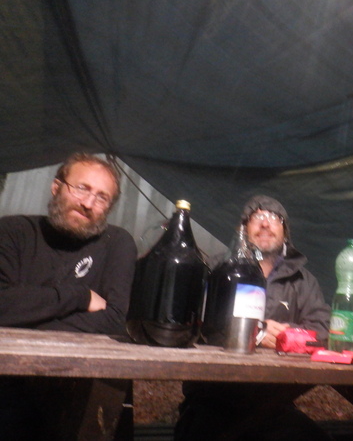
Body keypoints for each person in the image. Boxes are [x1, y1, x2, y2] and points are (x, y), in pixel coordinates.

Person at [0, 152, 137, 439]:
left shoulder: (116, 243)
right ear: (56, 186)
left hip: (84, 391)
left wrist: (23, 320)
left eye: (102, 198)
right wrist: (80, 297)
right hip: (8, 385)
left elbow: (114, 320)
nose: (88, 203)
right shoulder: (13, 232)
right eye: (82, 188)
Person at [175, 194, 331, 440]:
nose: (265, 223)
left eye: (274, 218)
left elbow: (322, 331)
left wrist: (287, 337)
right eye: (257, 217)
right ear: (243, 229)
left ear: (285, 233)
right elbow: (190, 319)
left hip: (274, 404)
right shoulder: (217, 268)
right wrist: (255, 331)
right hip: (211, 401)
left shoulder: (302, 281)